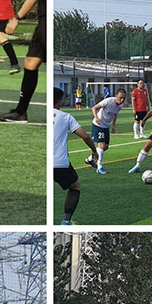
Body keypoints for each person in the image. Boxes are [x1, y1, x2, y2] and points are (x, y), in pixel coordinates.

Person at [53, 87, 99, 226]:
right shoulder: (65, 117)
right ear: (60, 101)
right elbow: (85, 136)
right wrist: (94, 151)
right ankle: (66, 221)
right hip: (59, 163)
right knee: (75, 185)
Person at [86, 89, 127, 175]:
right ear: (116, 96)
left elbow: (115, 114)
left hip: (106, 126)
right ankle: (99, 167)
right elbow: (94, 108)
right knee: (101, 145)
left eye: (124, 98)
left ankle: (90, 159)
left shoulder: (120, 105)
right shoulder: (108, 101)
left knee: (105, 147)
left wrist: (114, 125)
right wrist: (96, 118)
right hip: (98, 125)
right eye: (120, 97)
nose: (122, 100)